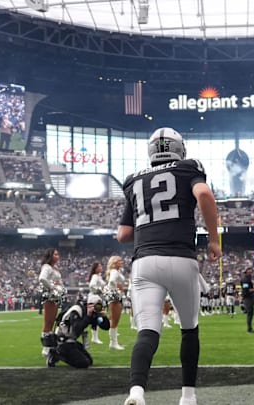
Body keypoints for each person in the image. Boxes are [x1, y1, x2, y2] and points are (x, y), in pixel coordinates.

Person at [118, 127, 222, 405]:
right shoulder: (189, 167)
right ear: (179, 148)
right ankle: (188, 396)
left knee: (148, 331)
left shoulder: (132, 180)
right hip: (181, 258)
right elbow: (205, 196)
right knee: (189, 328)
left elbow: (123, 234)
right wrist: (214, 240)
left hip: (145, 261)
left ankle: (137, 391)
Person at [48, 294, 110, 368]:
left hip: (71, 341)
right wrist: (88, 316)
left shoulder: (92, 314)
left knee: (89, 361)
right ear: (88, 305)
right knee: (83, 363)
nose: (97, 308)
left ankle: (58, 353)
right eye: (96, 306)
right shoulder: (77, 311)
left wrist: (103, 317)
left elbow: (105, 327)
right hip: (62, 340)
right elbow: (76, 329)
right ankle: (56, 353)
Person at [38, 248, 66, 359]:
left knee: (52, 321)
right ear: (50, 255)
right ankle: (45, 348)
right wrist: (52, 287)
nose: (58, 256)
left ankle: (49, 346)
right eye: (55, 254)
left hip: (55, 297)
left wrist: (60, 288)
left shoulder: (54, 268)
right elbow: (42, 279)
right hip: (50, 297)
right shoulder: (47, 267)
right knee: (48, 322)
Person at [105, 255, 127, 350]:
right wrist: (117, 290)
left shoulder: (117, 271)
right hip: (115, 297)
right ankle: (113, 343)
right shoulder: (114, 271)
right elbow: (112, 282)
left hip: (116, 296)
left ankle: (114, 342)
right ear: (114, 263)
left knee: (114, 319)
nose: (121, 262)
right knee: (115, 320)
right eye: (119, 261)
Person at [88, 262, 106, 345]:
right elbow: (92, 285)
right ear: (95, 268)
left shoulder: (99, 276)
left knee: (97, 317)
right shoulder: (95, 276)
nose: (101, 267)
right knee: (97, 317)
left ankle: (95, 337)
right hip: (94, 298)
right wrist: (99, 290)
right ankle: (94, 338)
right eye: (99, 266)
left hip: (97, 298)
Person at [241, 267, 254, 333]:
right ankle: (249, 329)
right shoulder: (245, 279)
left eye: (251, 270)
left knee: (251, 313)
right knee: (250, 313)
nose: (251, 271)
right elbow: (246, 290)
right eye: (249, 270)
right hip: (247, 297)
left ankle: (250, 328)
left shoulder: (248, 279)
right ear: (246, 271)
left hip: (249, 297)